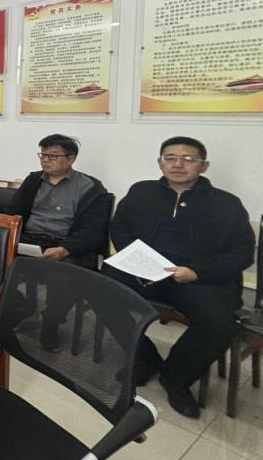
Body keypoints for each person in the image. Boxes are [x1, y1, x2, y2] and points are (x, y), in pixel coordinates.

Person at [106, 137, 254, 418]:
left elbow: (242, 253)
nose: (178, 164)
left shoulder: (226, 204)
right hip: (144, 272)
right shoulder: (141, 191)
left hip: (195, 278)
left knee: (220, 323)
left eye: (188, 159)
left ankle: (176, 377)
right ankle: (145, 359)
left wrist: (197, 272)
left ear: (204, 166)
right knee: (102, 294)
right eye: (170, 158)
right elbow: (119, 227)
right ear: (160, 162)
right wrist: (137, 258)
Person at [7, 134, 109, 268]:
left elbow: (93, 230)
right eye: (43, 154)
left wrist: (65, 249)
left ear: (71, 158)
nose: (45, 160)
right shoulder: (33, 180)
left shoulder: (90, 187)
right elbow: (12, 212)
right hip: (28, 240)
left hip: (65, 245)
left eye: (53, 156)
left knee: (59, 271)